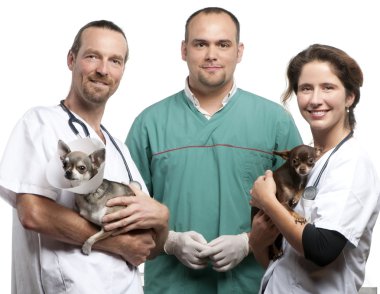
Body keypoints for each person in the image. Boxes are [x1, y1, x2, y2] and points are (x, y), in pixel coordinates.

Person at [124, 7, 301, 293]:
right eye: (200, 43)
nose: (211, 54)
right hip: (171, 286)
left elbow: (300, 208)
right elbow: (125, 212)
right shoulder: (149, 124)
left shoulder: (275, 121)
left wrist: (248, 242)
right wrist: (169, 240)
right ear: (184, 50)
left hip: (254, 285)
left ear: (239, 51)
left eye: (223, 44)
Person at [0, 20, 169, 294]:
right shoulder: (41, 123)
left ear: (122, 71)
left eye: (115, 61)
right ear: (71, 59)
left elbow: (148, 247)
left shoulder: (118, 150)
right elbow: (32, 212)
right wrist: (117, 243)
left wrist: (162, 218)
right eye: (93, 56)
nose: (103, 70)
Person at [249, 44, 380, 293]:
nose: (315, 99)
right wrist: (257, 244)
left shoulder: (351, 164)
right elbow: (285, 266)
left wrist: (268, 201)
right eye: (305, 88)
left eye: (328, 87)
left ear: (350, 96)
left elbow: (322, 248)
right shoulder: (311, 162)